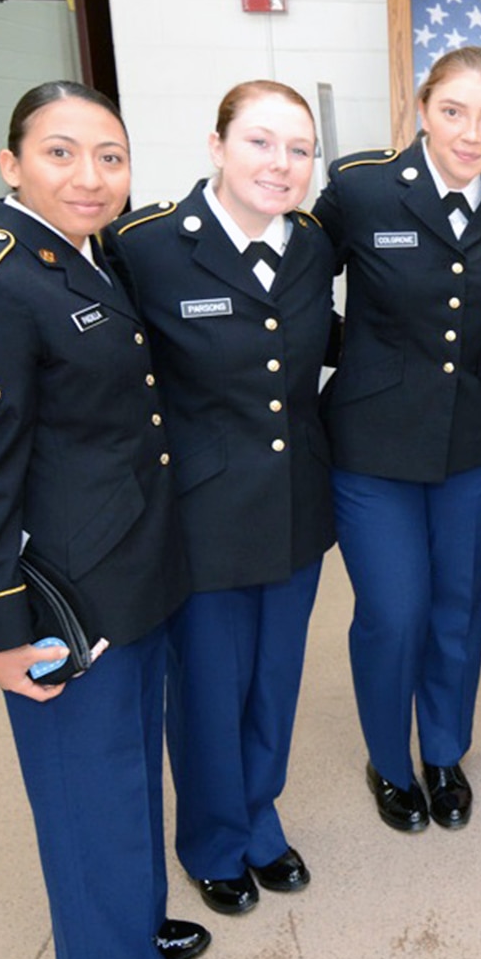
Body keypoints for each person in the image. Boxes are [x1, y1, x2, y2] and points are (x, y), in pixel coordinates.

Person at [0, 81, 215, 959]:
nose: (90, 176)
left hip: (126, 566)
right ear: (12, 165)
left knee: (129, 766)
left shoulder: (83, 260)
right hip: (58, 595)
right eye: (61, 152)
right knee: (83, 788)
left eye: (110, 156)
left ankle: (133, 920)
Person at [106, 81, 335, 915]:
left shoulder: (311, 244)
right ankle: (211, 839)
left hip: (295, 504)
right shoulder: (148, 245)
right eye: (261, 142)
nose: (281, 164)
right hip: (200, 514)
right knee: (207, 691)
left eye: (299, 149)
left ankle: (258, 817)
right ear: (216, 146)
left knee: (274, 682)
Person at [313, 47, 481, 833]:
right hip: (372, 442)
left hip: (472, 443)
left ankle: (443, 751)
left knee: (457, 608)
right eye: (455, 112)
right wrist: (357, 355)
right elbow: (297, 290)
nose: (471, 134)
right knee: (394, 610)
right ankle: (388, 758)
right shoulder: (361, 187)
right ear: (423, 107)